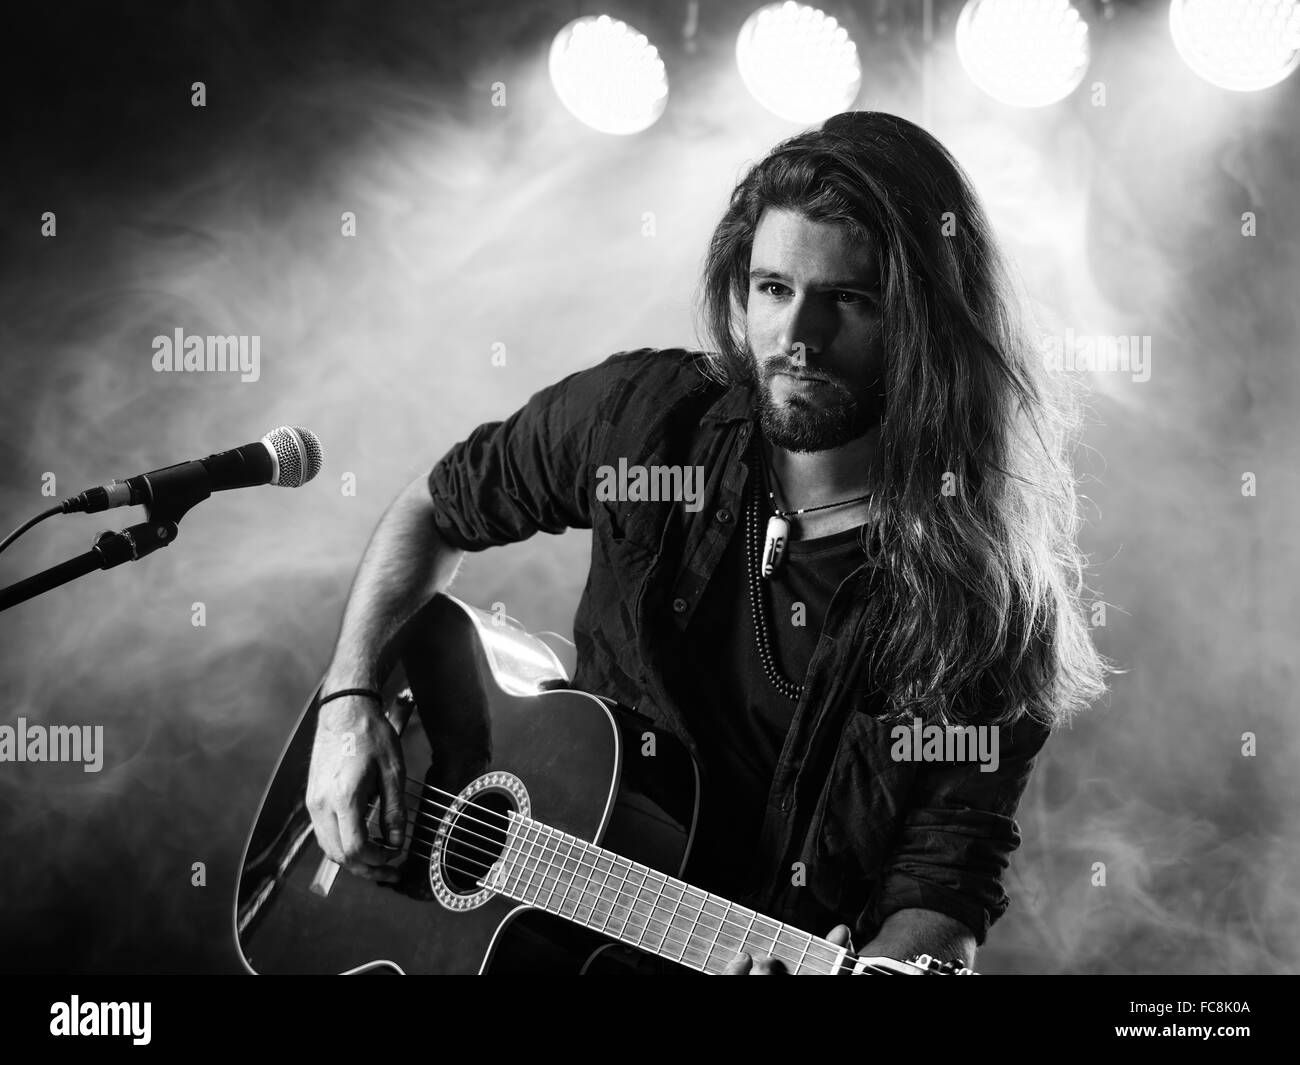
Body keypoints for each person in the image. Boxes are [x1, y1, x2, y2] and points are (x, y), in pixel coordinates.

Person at [305, 110, 1111, 975]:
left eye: (847, 299)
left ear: (924, 326)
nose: (796, 339)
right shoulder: (649, 423)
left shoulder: (983, 607)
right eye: (773, 289)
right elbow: (436, 507)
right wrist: (348, 702)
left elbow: (944, 887)